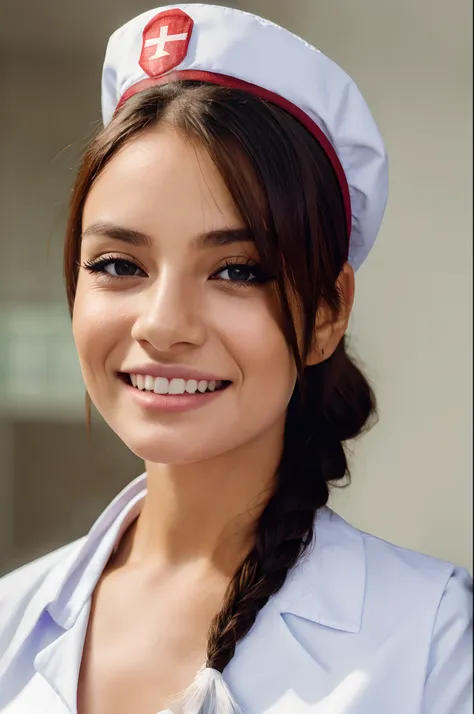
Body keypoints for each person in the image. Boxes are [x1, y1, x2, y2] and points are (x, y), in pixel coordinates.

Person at [0, 4, 472, 714]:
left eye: (238, 270)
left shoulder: (435, 642)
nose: (164, 326)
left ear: (327, 312)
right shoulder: (10, 620)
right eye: (119, 264)